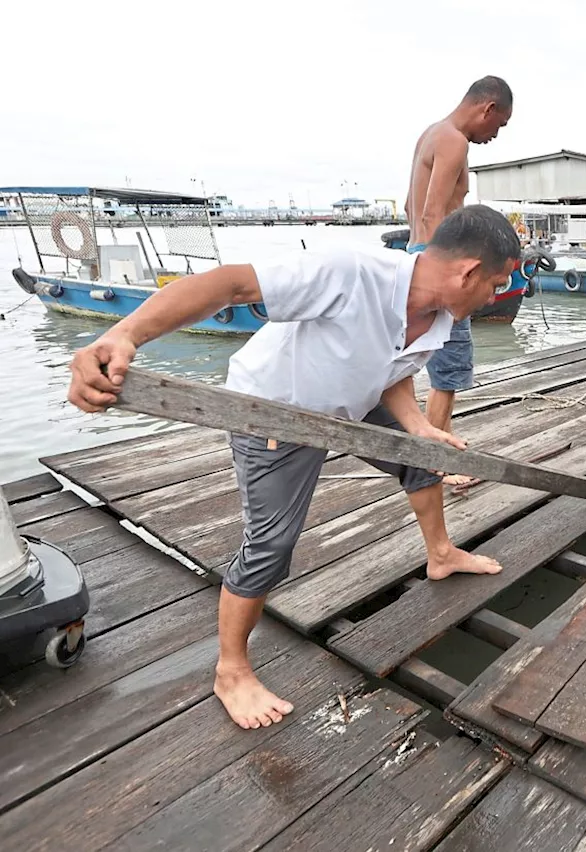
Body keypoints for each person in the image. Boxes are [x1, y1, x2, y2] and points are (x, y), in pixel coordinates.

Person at [65, 205, 521, 730]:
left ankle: (441, 555)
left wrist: (416, 427)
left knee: (424, 463)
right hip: (276, 411)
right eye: (495, 283)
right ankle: (230, 670)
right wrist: (124, 337)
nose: (495, 297)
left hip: (348, 403)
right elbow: (230, 285)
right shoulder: (350, 272)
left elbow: (390, 365)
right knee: (271, 544)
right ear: (467, 271)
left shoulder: (440, 315)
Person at [405, 75, 513, 486]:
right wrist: (445, 274)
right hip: (440, 265)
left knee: (426, 365)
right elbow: (434, 213)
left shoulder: (430, 135)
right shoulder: (454, 140)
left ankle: (432, 452)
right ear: (487, 109)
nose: (494, 135)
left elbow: (410, 207)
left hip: (420, 255)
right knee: (447, 375)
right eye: (498, 125)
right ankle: (435, 463)